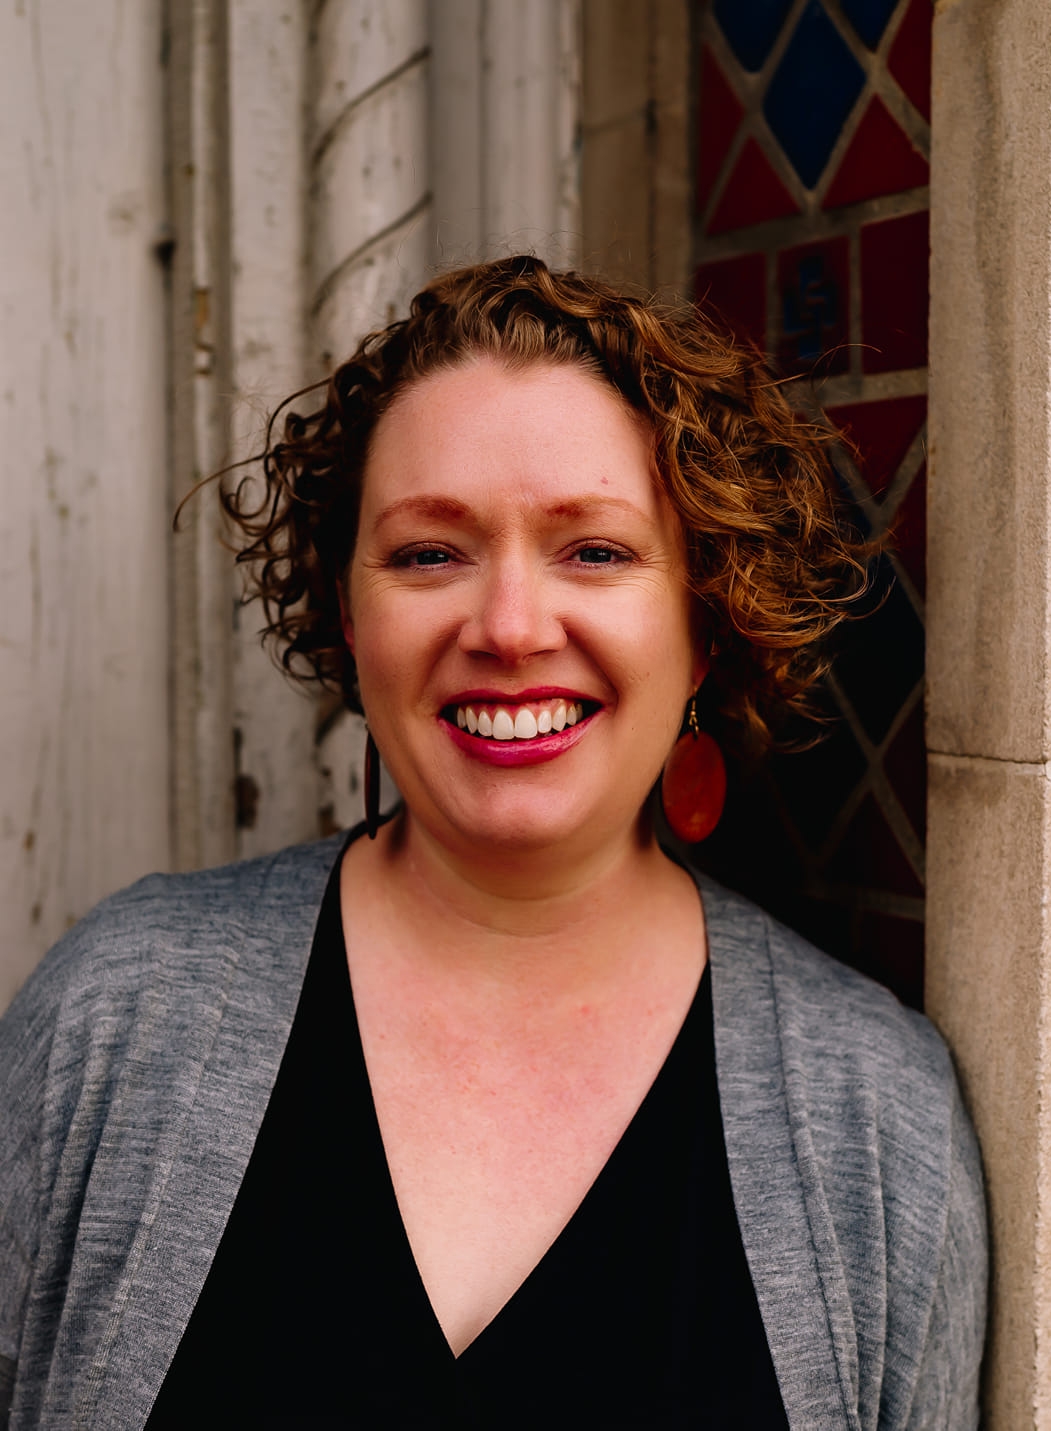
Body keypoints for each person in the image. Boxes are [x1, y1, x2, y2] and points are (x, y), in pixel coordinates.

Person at [0, 257, 986, 1428]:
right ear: (353, 617)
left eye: (596, 551)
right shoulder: (120, 1017)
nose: (510, 627)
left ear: (709, 622)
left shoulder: (874, 1118)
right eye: (430, 552)